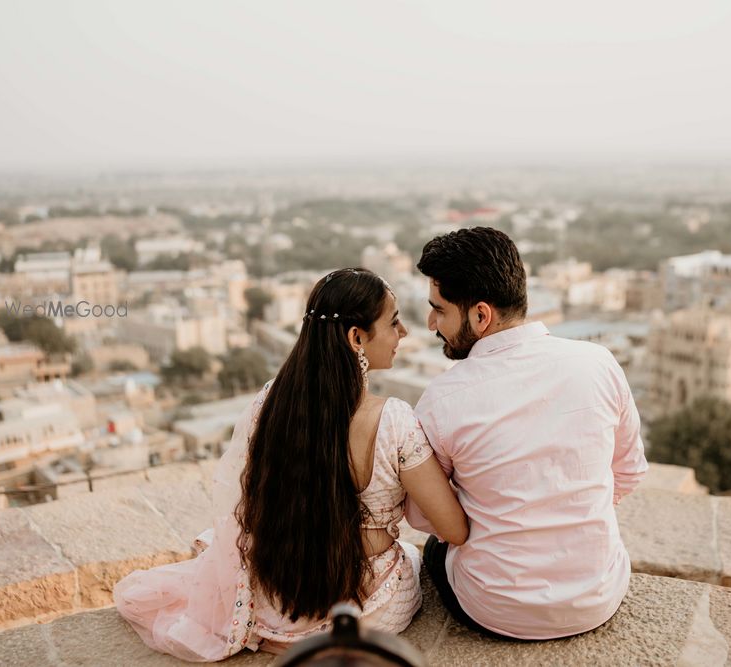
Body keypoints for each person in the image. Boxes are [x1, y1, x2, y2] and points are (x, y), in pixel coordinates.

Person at [114, 268, 468, 662]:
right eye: (394, 321)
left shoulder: (273, 402)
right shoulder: (393, 422)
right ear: (357, 338)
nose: (403, 333)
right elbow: (453, 528)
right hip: (368, 606)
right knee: (415, 556)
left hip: (277, 601)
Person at [406, 227, 649, 641]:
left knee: (433, 552)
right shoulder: (598, 363)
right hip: (598, 595)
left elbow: (426, 514)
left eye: (440, 310)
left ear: (481, 315)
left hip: (495, 607)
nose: (431, 323)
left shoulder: (444, 397)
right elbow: (628, 473)